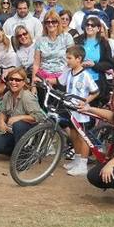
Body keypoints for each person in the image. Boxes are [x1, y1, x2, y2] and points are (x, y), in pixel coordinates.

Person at [46, 45, 99, 176]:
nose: (67, 60)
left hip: (81, 112)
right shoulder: (68, 73)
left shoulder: (86, 76)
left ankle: (83, 164)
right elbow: (59, 81)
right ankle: (77, 159)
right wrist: (46, 80)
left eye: (69, 58)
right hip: (70, 110)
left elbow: (95, 91)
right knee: (74, 136)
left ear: (78, 59)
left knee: (83, 137)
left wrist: (85, 101)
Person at [0, 68, 44, 156]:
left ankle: (23, 154)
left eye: (17, 80)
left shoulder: (27, 97)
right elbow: (3, 111)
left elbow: (39, 117)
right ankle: (19, 153)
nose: (13, 82)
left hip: (29, 131)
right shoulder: (7, 95)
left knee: (18, 124)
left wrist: (20, 117)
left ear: (24, 82)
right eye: (11, 79)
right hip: (13, 131)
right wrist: (1, 122)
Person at [74, 17, 114, 106]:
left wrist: (94, 65)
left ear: (98, 28)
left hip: (96, 81)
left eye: (93, 25)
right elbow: (71, 58)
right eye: (87, 25)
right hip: (78, 79)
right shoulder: (78, 40)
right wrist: (80, 64)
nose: (89, 27)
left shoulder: (103, 43)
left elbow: (109, 63)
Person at [32, 10, 75, 87]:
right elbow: (36, 63)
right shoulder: (40, 40)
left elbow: (72, 59)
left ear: (58, 23)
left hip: (62, 78)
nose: (51, 24)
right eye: (48, 22)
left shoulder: (67, 37)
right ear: (45, 24)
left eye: (53, 22)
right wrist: (33, 84)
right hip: (44, 78)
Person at [0, 23, 18, 96]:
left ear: (2, 31)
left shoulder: (12, 40)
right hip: (2, 76)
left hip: (16, 73)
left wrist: (10, 70)